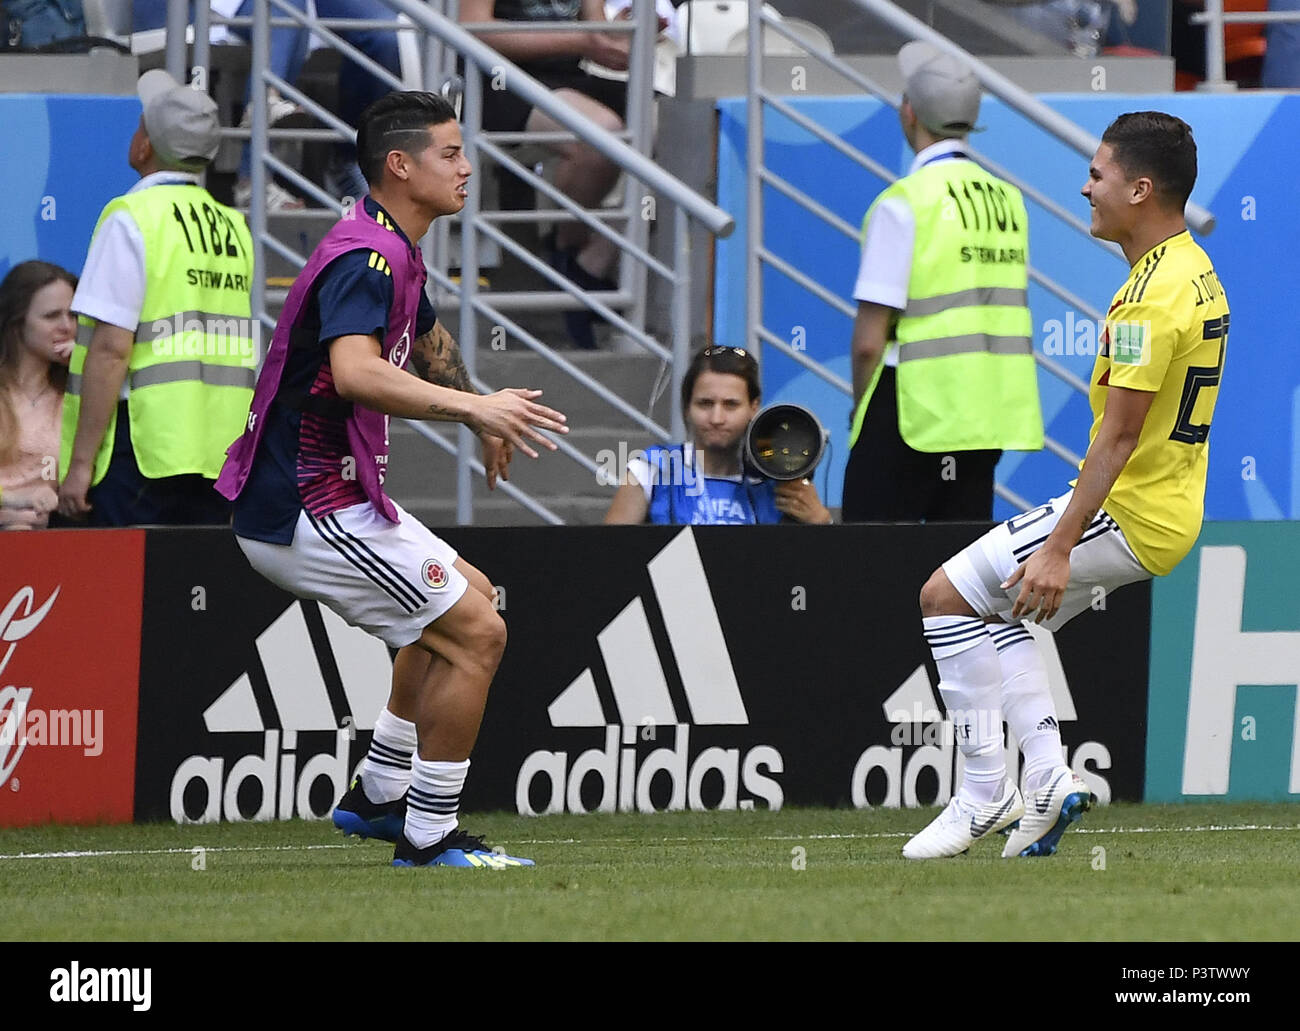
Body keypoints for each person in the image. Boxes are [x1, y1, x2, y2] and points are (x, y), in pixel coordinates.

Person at [215, 90, 569, 869]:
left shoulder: (391, 249)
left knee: (465, 600)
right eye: (450, 152)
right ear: (400, 165)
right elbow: (355, 373)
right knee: (480, 633)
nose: (468, 166)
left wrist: (477, 412)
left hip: (336, 495)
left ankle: (376, 793)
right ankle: (428, 835)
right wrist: (475, 404)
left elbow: (429, 335)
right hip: (305, 506)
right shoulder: (366, 257)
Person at [902, 111, 1228, 860]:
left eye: (1099, 173)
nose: (1086, 187)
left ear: (1140, 189)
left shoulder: (1152, 295)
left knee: (944, 597)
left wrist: (1057, 545)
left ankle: (985, 793)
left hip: (1131, 509)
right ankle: (1045, 781)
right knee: (1008, 612)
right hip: (1162, 505)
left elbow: (1118, 435)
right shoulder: (1190, 268)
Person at [841, 41, 1042, 523]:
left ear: (909, 112)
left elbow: (870, 340)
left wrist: (861, 410)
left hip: (910, 407)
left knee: (868, 560)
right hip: (983, 413)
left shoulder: (904, 202)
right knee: (959, 572)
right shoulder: (1007, 200)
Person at [57, 70, 256, 527]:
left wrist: (81, 464)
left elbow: (110, 349)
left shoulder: (132, 218)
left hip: (142, 448)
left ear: (144, 146)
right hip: (215, 450)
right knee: (187, 590)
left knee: (121, 591)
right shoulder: (233, 225)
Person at [460, 0, 633, 349]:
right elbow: (474, 28)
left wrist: (621, 36)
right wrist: (582, 41)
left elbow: (594, 27)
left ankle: (582, 263)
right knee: (603, 132)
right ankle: (567, 258)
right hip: (497, 79)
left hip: (572, 77)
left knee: (673, 123)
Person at [603, 344, 831, 525]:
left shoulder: (777, 479)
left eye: (731, 405)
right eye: (705, 404)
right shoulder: (652, 468)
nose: (716, 418)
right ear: (686, 407)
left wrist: (820, 521)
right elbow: (614, 557)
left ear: (754, 407)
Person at [0, 261, 77, 530]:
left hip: (49, 543)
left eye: (73, 315)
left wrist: (84, 373)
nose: (67, 326)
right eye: (52, 316)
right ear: (17, 321)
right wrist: (10, 507)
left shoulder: (75, 395)